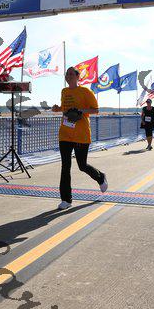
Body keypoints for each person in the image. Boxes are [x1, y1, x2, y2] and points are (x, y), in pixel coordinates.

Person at [51, 67, 107, 210]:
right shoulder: (64, 91)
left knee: (82, 165)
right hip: (65, 133)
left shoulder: (85, 91)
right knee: (65, 167)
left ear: (77, 77)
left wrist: (80, 111)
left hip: (81, 134)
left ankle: (100, 177)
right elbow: (65, 108)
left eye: (71, 74)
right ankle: (66, 199)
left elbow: (95, 110)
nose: (68, 76)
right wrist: (58, 109)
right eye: (67, 74)